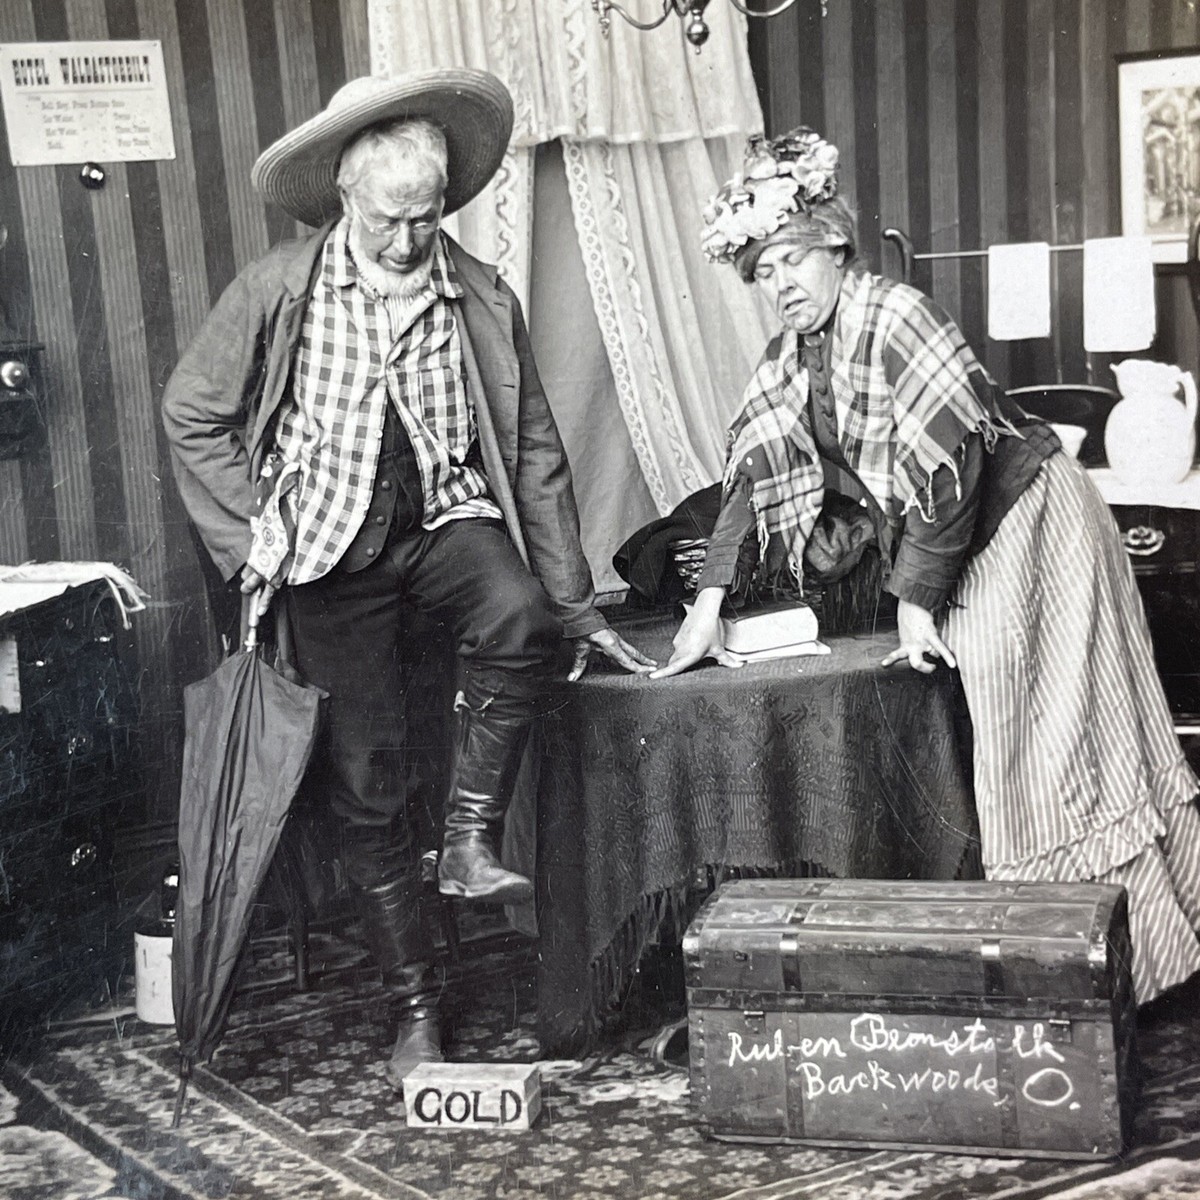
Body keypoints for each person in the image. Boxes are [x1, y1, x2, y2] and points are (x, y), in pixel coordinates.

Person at [162, 68, 654, 1088]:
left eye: (426, 219)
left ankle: (469, 840)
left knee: (519, 618)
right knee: (369, 789)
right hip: (327, 553)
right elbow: (192, 412)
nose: (406, 241)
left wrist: (571, 599)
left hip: (440, 522)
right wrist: (258, 534)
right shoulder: (277, 289)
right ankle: (416, 1007)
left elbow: (531, 455)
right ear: (346, 199)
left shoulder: (475, 292)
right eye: (390, 219)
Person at [653, 126, 1200, 1005]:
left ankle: (1119, 971)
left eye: (793, 259)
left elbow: (956, 468)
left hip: (1030, 524)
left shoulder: (894, 313)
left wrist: (914, 603)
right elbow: (751, 481)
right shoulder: (790, 362)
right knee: (1023, 751)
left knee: (1054, 743)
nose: (781, 285)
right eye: (762, 272)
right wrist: (708, 603)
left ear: (836, 247)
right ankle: (1084, 968)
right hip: (969, 546)